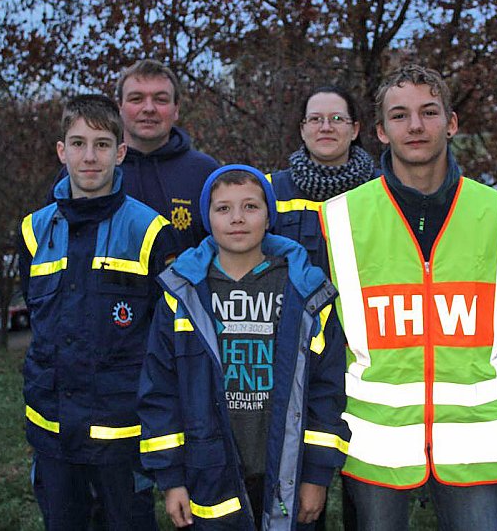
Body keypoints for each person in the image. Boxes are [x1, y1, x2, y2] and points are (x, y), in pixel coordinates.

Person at [319, 65, 497, 530]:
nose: (415, 126)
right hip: (377, 441)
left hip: (476, 443)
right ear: (379, 131)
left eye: (429, 112)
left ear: (451, 122)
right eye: (399, 115)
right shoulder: (340, 219)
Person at [137, 165, 350, 530]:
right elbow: (161, 391)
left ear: (269, 216)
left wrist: (316, 475)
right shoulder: (181, 295)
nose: (237, 218)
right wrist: (171, 480)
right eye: (223, 209)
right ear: (207, 218)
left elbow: (326, 388)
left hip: (289, 473)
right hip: (209, 474)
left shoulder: (305, 293)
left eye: (250, 206)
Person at [19, 94, 172, 530]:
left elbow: (165, 337)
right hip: (51, 430)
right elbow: (36, 316)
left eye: (102, 144)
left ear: (120, 152)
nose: (90, 156)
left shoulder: (149, 231)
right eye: (79, 143)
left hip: (121, 435)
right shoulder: (33, 231)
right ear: (61, 150)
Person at [49, 60, 219, 256]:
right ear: (119, 107)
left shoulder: (204, 173)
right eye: (136, 99)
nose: (148, 108)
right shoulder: (84, 171)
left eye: (160, 99)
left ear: (176, 108)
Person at [267, 85, 379, 272]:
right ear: (303, 130)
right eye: (315, 119)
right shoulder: (270, 190)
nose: (326, 128)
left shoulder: (384, 188)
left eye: (337, 119)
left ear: (355, 130)